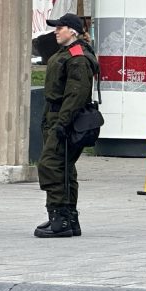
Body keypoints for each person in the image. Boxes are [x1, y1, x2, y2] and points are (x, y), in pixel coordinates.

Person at [34, 13, 98, 238]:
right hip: (57, 116)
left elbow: (76, 94)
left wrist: (62, 123)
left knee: (51, 165)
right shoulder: (68, 52)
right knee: (63, 166)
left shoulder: (77, 57)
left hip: (65, 119)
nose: (55, 31)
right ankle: (68, 218)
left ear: (72, 30)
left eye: (60, 28)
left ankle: (59, 219)